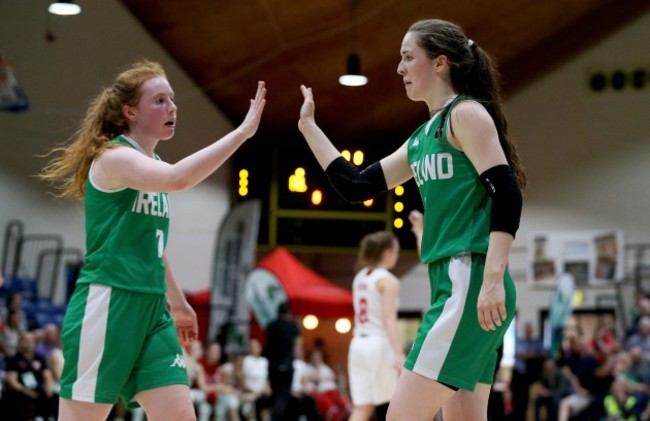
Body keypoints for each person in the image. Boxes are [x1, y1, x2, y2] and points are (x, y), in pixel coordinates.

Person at [297, 18, 525, 420]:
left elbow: (506, 193)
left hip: (470, 278)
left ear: (440, 63)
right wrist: (310, 129)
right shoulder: (422, 137)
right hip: (452, 281)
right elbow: (356, 185)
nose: (399, 68)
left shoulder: (465, 115)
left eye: (407, 57)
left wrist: (491, 278)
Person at [38, 60, 266, 421]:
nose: (172, 106)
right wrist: (240, 134)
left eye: (172, 98)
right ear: (130, 111)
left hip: (153, 308)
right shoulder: (114, 157)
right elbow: (179, 179)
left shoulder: (152, 161)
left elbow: (153, 246)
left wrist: (177, 303)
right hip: (109, 301)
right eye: (159, 100)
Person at [347, 230, 404, 421]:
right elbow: (388, 319)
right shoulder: (388, 281)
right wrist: (399, 353)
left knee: (362, 407)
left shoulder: (360, 277)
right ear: (386, 252)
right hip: (378, 345)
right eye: (396, 250)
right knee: (391, 405)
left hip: (357, 345)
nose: (398, 254)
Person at [263, 301, 300, 421]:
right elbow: (297, 344)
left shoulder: (271, 325)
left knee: (276, 394)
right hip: (286, 364)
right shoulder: (292, 326)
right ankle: (274, 417)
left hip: (272, 365)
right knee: (283, 396)